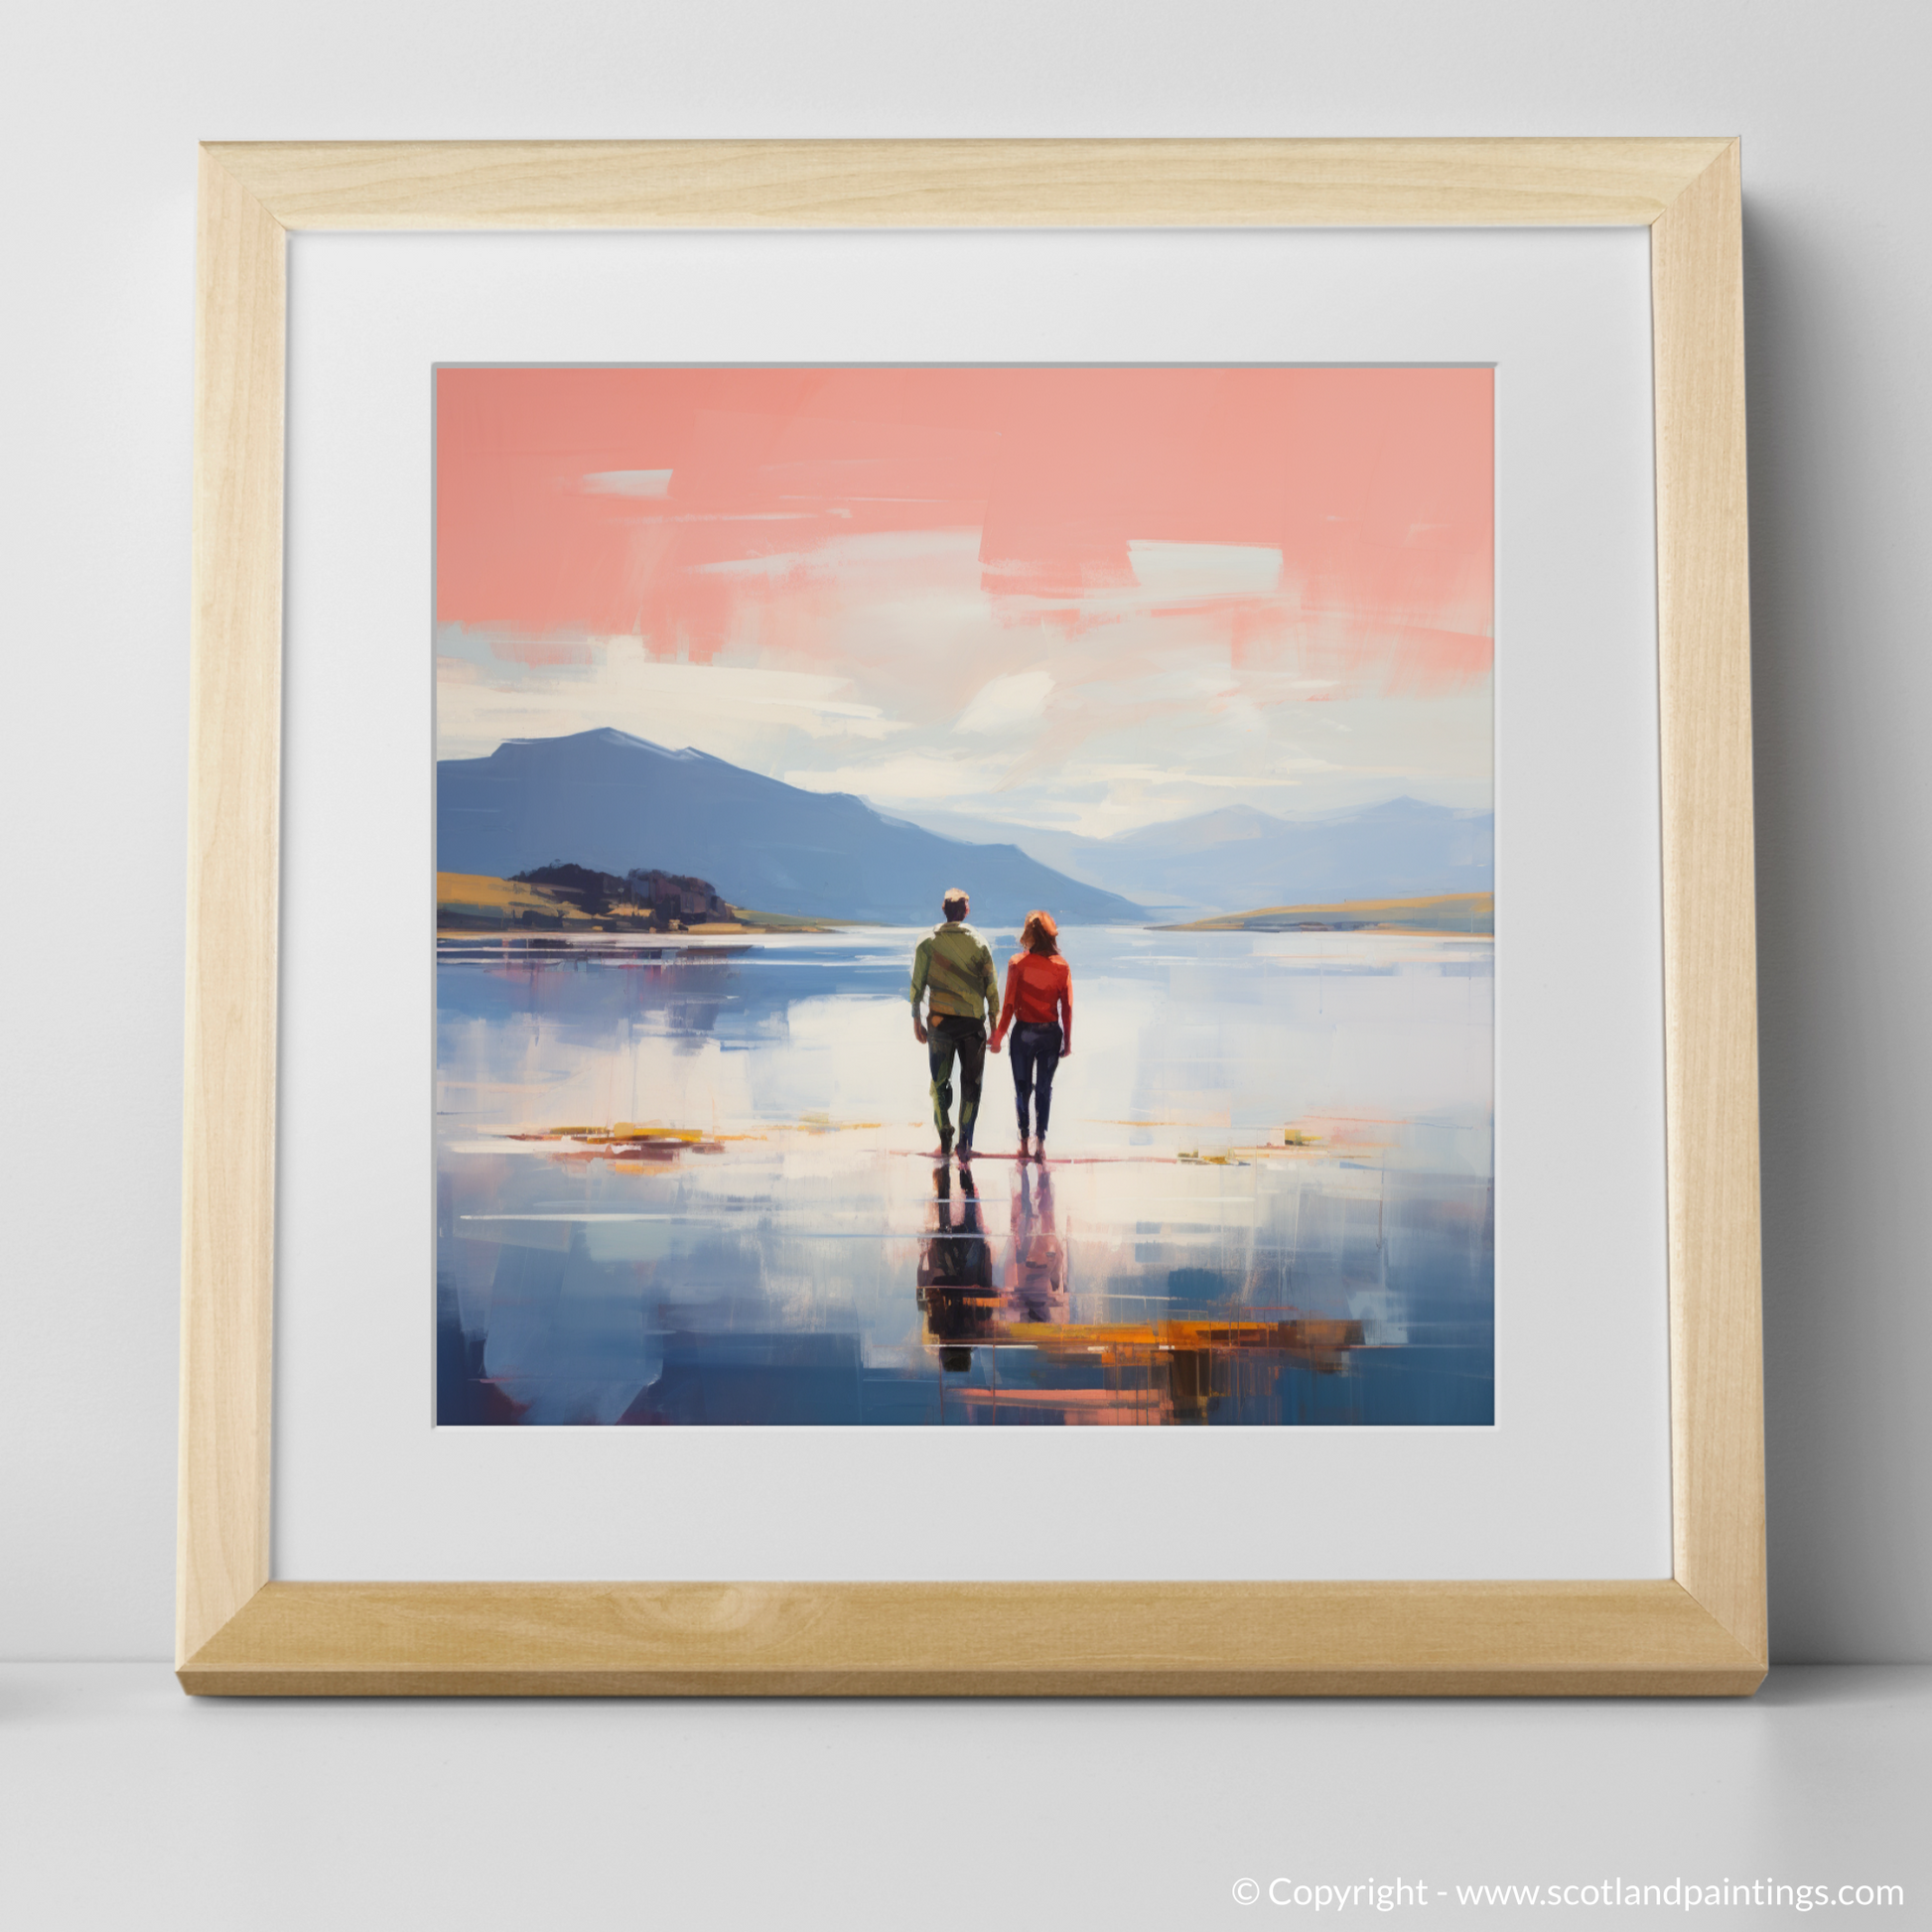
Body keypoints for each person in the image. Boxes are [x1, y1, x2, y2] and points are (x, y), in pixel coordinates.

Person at [908, 888, 999, 1161]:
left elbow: (918, 984)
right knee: (971, 1084)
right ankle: (965, 1142)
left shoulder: (927, 942)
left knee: (939, 1082)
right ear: (966, 911)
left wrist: (916, 1018)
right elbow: (991, 988)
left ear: (943, 909)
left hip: (940, 1021)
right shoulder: (980, 942)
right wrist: (995, 1025)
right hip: (972, 1022)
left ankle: (944, 1130)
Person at [989, 909, 1071, 1160]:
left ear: (1029, 935)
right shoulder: (1061, 966)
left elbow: (1009, 1007)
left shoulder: (1017, 963)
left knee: (1023, 1088)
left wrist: (998, 1037)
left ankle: (1024, 1143)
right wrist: (1067, 1041)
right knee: (1044, 1089)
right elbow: (1066, 1008)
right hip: (1050, 1034)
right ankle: (1041, 1144)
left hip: (1023, 1033)